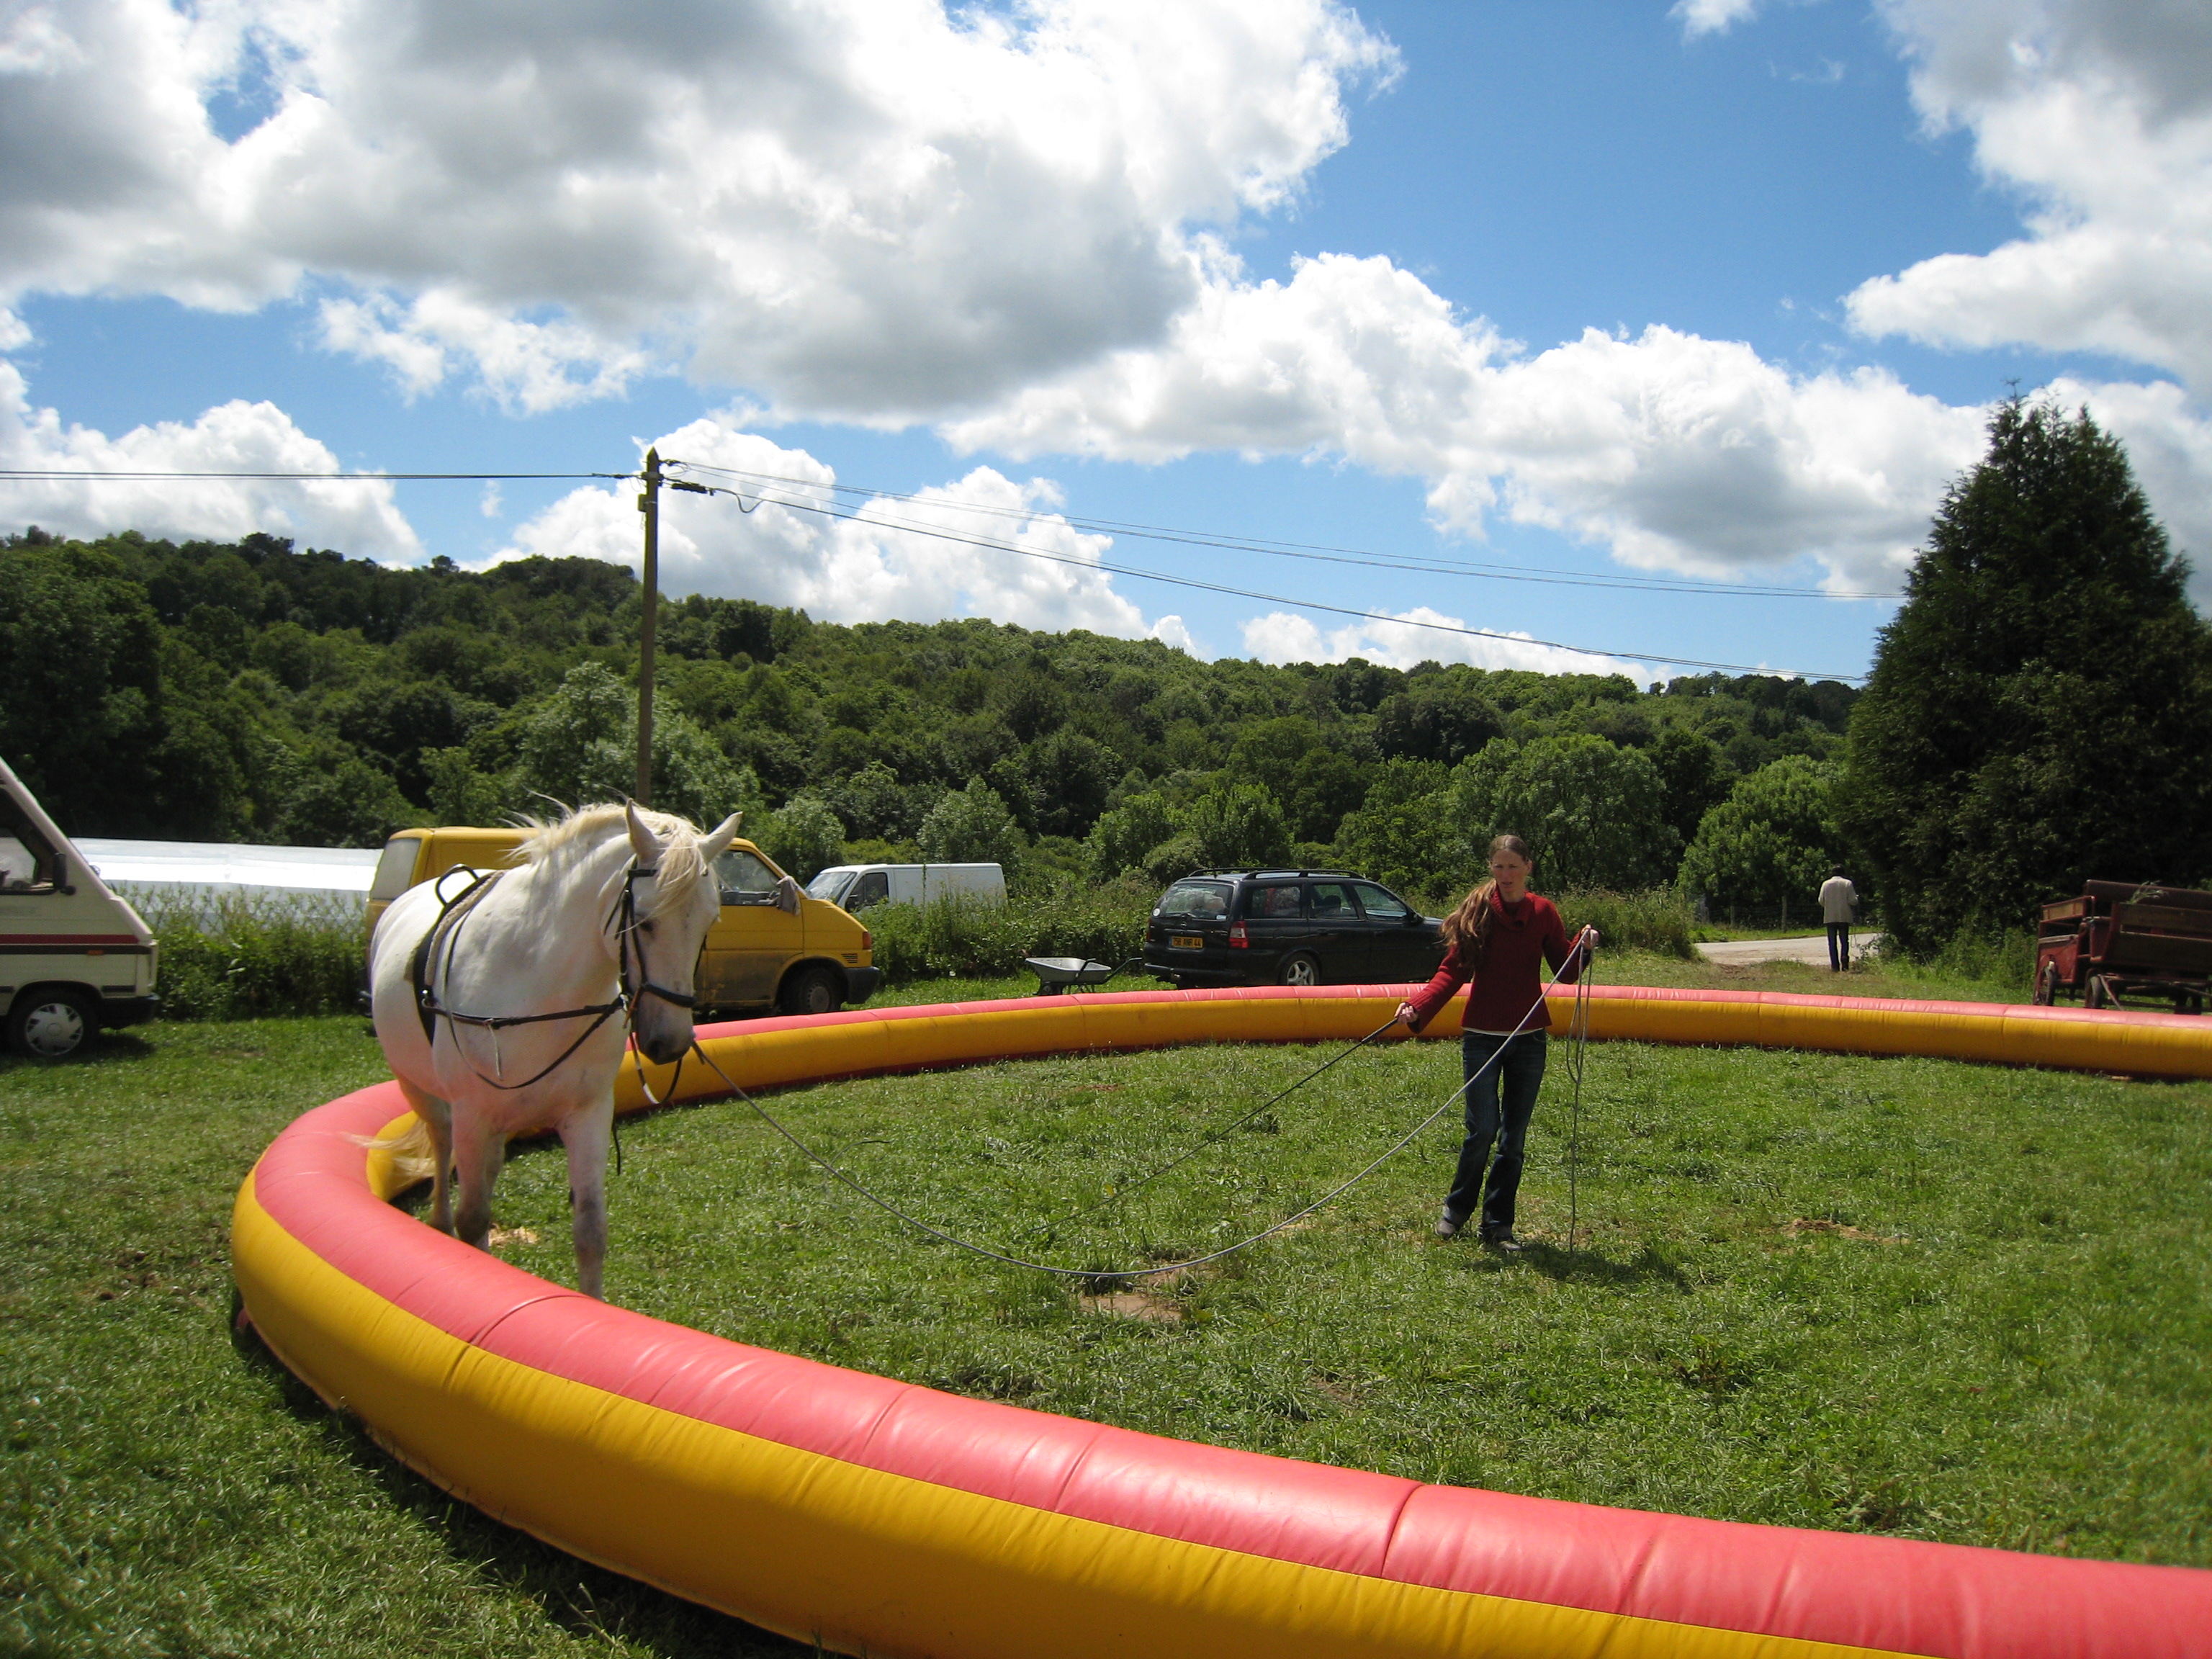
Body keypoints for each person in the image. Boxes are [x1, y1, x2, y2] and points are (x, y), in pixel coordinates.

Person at [1395, 835, 1588, 1251]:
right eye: (1498, 866)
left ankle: (1498, 1225)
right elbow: (1451, 972)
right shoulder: (1479, 913)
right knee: (1482, 1129)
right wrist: (1417, 1006)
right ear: (1490, 868)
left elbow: (1566, 971)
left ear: (1528, 867)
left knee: (1512, 1141)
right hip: (1482, 1039)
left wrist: (1583, 947)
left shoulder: (1544, 912)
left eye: (1513, 866)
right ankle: (1456, 1210)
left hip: (1529, 1040)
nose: (1505, 874)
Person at [1819, 866, 1858, 972]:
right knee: (1844, 941)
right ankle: (1844, 963)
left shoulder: (1826, 884)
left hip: (1830, 916)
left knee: (1832, 942)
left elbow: (1821, 900)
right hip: (1844, 916)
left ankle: (1835, 966)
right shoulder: (1847, 883)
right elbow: (1853, 901)